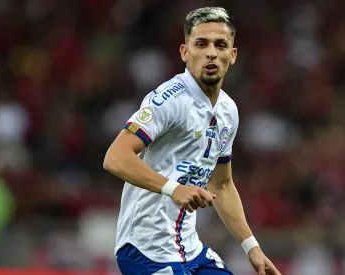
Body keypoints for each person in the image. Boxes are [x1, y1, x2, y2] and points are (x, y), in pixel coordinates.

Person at [103, 6, 281, 275]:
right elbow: (115, 158)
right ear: (185, 52)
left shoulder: (228, 111)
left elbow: (222, 184)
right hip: (145, 250)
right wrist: (174, 189)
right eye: (201, 44)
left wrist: (252, 247)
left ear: (232, 56)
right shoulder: (168, 100)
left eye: (220, 45)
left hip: (190, 249)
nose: (211, 52)